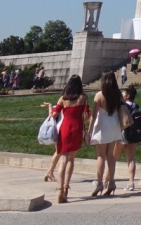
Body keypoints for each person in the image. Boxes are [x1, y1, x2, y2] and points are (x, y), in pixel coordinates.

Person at [48, 75, 89, 203]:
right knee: (71, 159)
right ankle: (66, 187)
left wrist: (50, 108)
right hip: (77, 127)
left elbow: (54, 115)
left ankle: (59, 189)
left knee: (63, 159)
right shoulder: (83, 98)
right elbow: (86, 115)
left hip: (65, 128)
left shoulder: (63, 99)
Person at [87, 71, 123, 197]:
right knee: (111, 156)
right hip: (114, 125)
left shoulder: (99, 95)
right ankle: (111, 182)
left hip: (102, 126)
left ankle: (99, 183)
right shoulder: (118, 94)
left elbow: (94, 114)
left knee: (101, 155)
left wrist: (89, 131)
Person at [114, 86, 141, 191]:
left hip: (122, 134)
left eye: (123, 94)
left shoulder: (123, 106)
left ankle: (107, 181)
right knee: (131, 159)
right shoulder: (137, 107)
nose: (121, 95)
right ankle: (131, 183)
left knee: (113, 158)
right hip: (133, 135)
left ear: (127, 96)